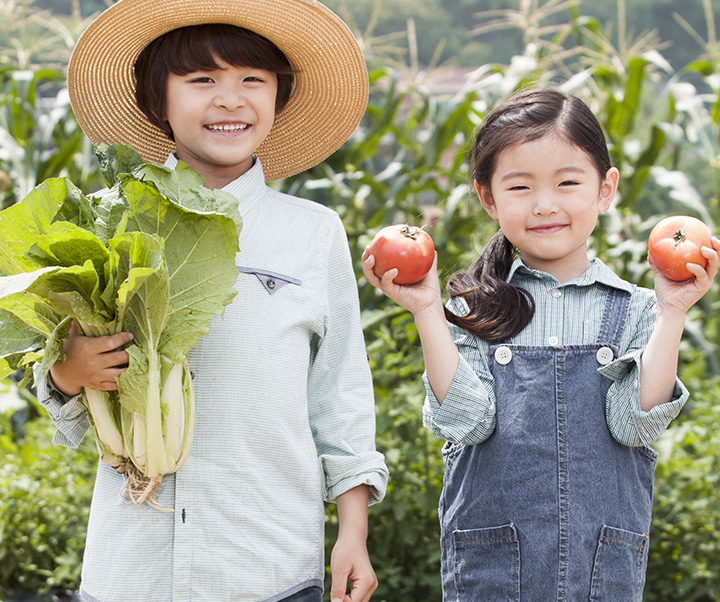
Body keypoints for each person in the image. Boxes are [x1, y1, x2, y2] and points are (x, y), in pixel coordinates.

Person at [37, 1, 389, 601]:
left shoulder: (313, 231)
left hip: (268, 562)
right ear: (158, 102)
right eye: (202, 81)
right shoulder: (104, 221)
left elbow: (339, 394)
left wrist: (352, 531)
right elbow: (62, 388)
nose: (230, 100)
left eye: (252, 80)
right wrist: (67, 373)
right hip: (133, 566)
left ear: (279, 97)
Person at [362, 88, 719, 600]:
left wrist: (673, 312)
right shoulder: (472, 308)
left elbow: (633, 423)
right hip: (492, 573)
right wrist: (426, 310)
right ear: (489, 198)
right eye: (521, 186)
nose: (545, 205)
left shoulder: (639, 310)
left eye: (568, 182)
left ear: (605, 188)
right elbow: (468, 420)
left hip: (602, 570)